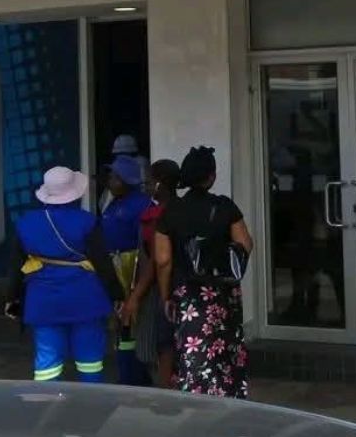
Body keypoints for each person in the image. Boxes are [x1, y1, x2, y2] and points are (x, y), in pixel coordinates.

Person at [5, 166, 122, 383]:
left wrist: (11, 298)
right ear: (75, 193)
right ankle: (91, 399)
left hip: (43, 300)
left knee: (47, 365)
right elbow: (103, 264)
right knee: (90, 361)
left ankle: (46, 402)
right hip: (86, 298)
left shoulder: (26, 222)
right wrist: (117, 295)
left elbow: (16, 266)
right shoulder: (87, 221)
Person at [155, 146, 253, 398]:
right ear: (212, 177)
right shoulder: (225, 206)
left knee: (193, 351)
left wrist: (166, 296)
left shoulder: (170, 211)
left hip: (188, 294)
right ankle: (228, 395)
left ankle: (196, 399)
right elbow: (245, 243)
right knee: (227, 350)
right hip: (224, 293)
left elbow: (163, 260)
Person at [122, 158, 180, 387]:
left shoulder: (157, 216)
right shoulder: (183, 208)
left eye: (149, 181)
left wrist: (135, 297)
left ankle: (165, 391)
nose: (145, 185)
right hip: (184, 285)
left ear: (160, 183)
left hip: (161, 288)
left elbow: (156, 262)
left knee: (162, 344)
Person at [101, 154, 153, 386]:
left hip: (131, 272)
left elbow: (144, 245)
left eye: (115, 177)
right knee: (121, 325)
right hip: (115, 270)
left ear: (127, 180)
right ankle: (130, 374)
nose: (110, 181)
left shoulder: (141, 205)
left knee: (130, 324)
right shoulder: (113, 203)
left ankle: (133, 378)